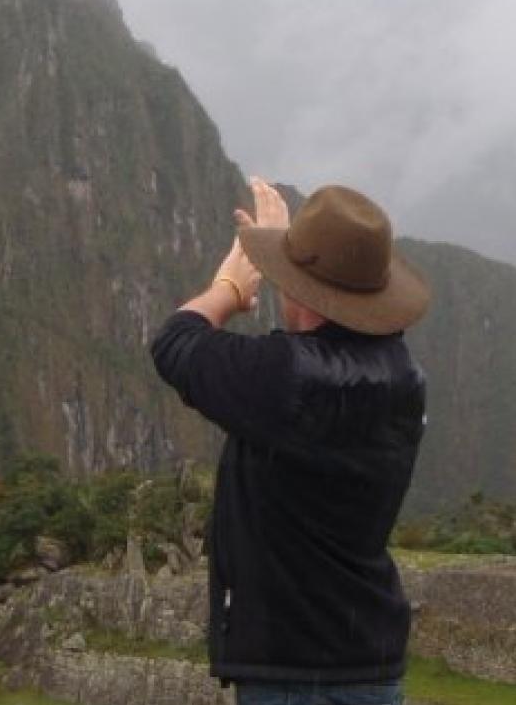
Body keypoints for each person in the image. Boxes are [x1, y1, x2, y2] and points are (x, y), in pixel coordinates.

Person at [151, 179, 430, 705]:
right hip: (371, 662)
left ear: (300, 289)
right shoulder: (404, 377)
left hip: (292, 673)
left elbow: (176, 342)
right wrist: (293, 257)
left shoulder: (287, 381)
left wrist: (229, 288)